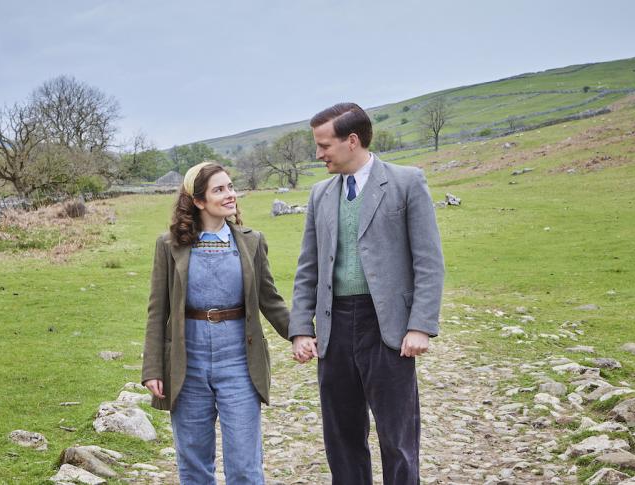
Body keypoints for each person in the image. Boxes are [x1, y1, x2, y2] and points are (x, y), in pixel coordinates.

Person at [289, 102, 445, 485]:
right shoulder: (320, 194)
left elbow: (429, 260)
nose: (318, 153)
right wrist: (301, 329)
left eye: (324, 145)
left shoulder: (407, 182)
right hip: (334, 327)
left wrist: (420, 325)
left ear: (352, 141)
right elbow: (308, 267)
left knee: (398, 438)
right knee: (341, 437)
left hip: (386, 327)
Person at [142, 161, 291, 484]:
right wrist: (153, 368)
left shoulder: (252, 242)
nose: (230, 195)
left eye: (231, 187)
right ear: (198, 201)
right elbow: (158, 310)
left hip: (239, 362)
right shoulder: (169, 245)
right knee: (193, 464)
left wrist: (303, 334)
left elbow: (270, 300)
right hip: (188, 363)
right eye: (219, 190)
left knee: (245, 467)